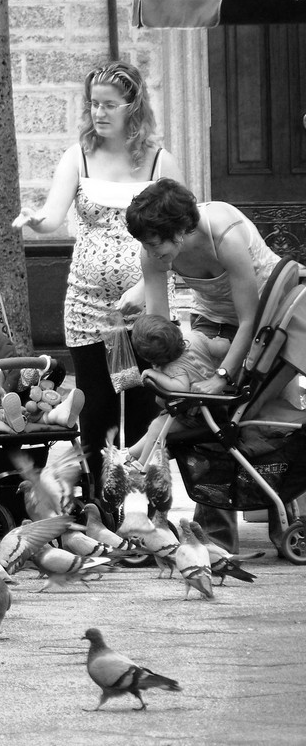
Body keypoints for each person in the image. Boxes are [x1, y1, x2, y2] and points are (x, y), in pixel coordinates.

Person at [12, 59, 184, 486]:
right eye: (93, 105)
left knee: (145, 400)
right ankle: (98, 503)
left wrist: (145, 288)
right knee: (96, 405)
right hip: (87, 303)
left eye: (109, 104)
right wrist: (37, 221)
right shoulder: (78, 157)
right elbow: (53, 217)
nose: (99, 113)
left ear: (134, 105)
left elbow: (182, 234)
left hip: (145, 301)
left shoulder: (161, 162)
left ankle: (147, 499)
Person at [126, 177, 284, 552]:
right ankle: (214, 537)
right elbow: (159, 326)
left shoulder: (225, 236)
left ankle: (287, 524)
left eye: (156, 244)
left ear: (180, 230)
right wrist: (166, 378)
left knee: (258, 420)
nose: (151, 252)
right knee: (203, 418)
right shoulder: (153, 248)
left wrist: (222, 378)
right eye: (146, 244)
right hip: (210, 322)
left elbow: (249, 320)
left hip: (266, 321)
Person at [127, 313, 230, 463]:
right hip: (216, 404)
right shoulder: (196, 337)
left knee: (157, 426)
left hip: (203, 414)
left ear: (148, 359)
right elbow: (220, 349)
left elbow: (180, 388)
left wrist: (154, 374)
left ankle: (141, 463)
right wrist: (223, 342)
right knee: (158, 425)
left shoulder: (172, 368)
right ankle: (130, 454)